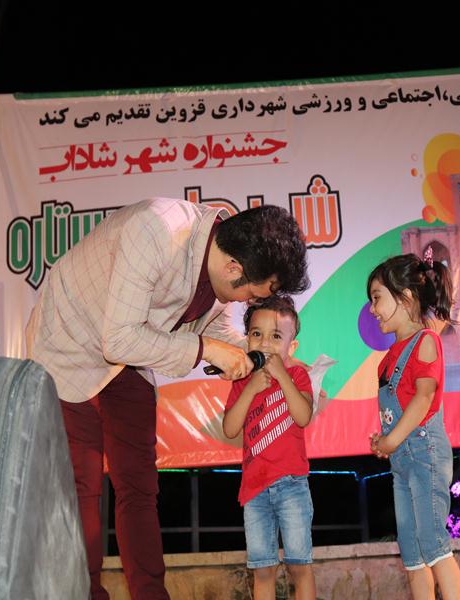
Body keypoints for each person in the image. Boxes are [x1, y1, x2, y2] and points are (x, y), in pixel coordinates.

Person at [25, 198, 309, 600]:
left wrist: (261, 355)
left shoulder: (223, 260)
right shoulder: (156, 231)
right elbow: (119, 340)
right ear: (234, 268)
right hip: (70, 343)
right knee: (82, 485)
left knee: (139, 484)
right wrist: (206, 351)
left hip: (129, 359)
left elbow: (217, 332)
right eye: (251, 294)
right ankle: (85, 593)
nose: (246, 302)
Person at [366, 251, 460, 600]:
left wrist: (392, 440)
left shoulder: (426, 341)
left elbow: (423, 399)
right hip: (402, 464)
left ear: (406, 298)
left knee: (433, 543)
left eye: (377, 298)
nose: (372, 309)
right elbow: (396, 412)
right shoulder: (386, 361)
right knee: (410, 550)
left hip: (425, 455)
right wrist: (384, 440)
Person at [223, 295, 316, 600]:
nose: (264, 343)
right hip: (255, 491)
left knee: (299, 565)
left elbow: (302, 416)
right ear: (247, 339)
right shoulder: (241, 383)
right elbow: (230, 428)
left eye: (276, 336)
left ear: (292, 346)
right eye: (256, 334)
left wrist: (282, 377)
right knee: (262, 570)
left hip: (292, 486)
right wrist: (251, 388)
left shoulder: (298, 375)